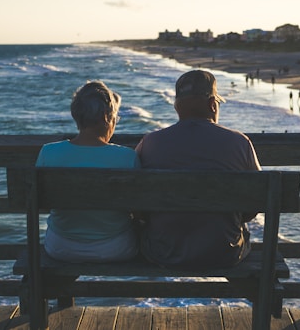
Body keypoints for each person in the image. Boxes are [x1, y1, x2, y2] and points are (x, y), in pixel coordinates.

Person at [135, 70, 261, 270]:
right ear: (212, 104)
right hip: (224, 253)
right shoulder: (240, 142)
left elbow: (136, 203)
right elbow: (256, 201)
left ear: (177, 107)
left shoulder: (150, 143)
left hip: (163, 252)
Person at [36, 81, 140, 263]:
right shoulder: (127, 157)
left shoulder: (48, 152)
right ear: (106, 117)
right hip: (115, 248)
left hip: (60, 247)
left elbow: (42, 204)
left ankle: (61, 290)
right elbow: (139, 209)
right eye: (116, 117)